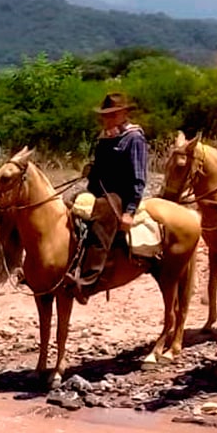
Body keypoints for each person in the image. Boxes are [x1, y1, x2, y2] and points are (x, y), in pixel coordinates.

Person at [68, 92, 149, 304]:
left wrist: (130, 211)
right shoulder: (105, 137)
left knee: (101, 218)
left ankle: (88, 282)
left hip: (119, 195)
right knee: (68, 206)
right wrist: (91, 171)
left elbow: (138, 178)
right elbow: (100, 169)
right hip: (98, 190)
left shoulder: (134, 138)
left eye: (112, 115)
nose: (107, 119)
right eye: (105, 115)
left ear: (123, 113)